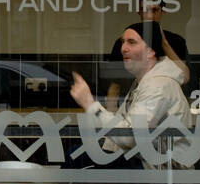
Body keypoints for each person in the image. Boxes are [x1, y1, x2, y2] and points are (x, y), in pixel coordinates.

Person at [70, 21, 192, 169]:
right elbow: (122, 127)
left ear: (151, 51)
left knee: (76, 159)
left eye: (131, 42)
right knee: (77, 155)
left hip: (158, 172)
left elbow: (129, 137)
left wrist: (90, 104)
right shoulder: (144, 81)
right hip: (143, 163)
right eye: (123, 42)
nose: (123, 48)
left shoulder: (158, 86)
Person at [106, 0, 189, 109]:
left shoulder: (176, 42)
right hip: (131, 104)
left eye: (154, 10)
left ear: (163, 12)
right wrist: (111, 113)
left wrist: (164, 43)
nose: (149, 15)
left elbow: (184, 77)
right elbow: (115, 85)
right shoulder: (124, 44)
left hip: (167, 106)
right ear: (139, 12)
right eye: (144, 10)